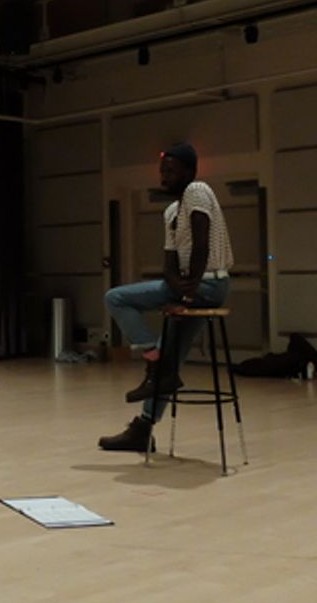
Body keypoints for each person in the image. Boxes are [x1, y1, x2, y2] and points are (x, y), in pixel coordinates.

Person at [98, 143, 235, 452]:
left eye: (170, 171)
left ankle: (152, 359)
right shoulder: (172, 211)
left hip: (209, 285)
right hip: (187, 286)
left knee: (116, 298)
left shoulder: (198, 190)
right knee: (170, 366)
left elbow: (201, 243)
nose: (164, 176)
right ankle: (144, 427)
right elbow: (169, 262)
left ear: (189, 171)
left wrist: (187, 295)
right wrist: (177, 286)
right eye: (162, 171)